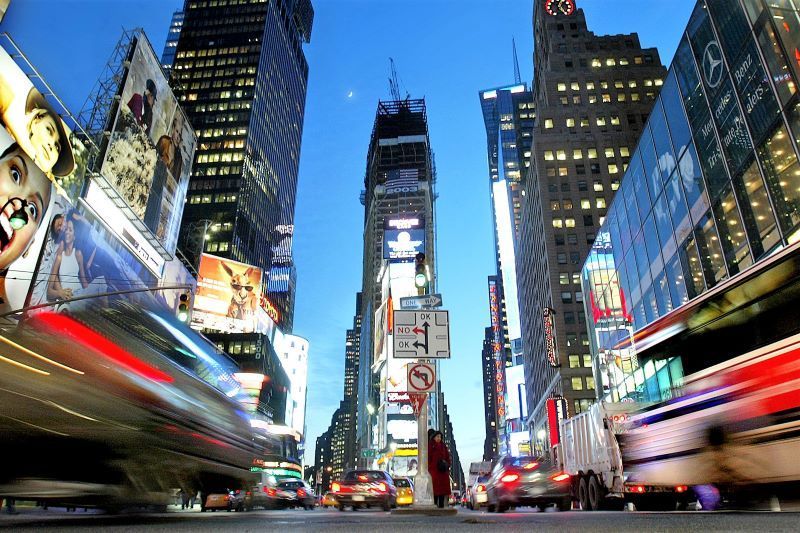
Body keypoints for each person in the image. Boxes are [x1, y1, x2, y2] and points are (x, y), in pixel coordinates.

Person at [0, 49, 75, 177]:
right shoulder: (5, 99)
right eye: (49, 130)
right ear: (36, 117)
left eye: (57, 147)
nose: (52, 146)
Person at [0, 142, 53, 313]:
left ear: (29, 247)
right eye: (15, 175)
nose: (17, 203)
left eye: (32, 209)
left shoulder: (5, 324)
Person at [428, 430, 451, 508]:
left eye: (440, 437)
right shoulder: (431, 445)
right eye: (437, 437)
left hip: (442, 471)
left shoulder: (443, 446)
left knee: (442, 490)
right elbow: (428, 457)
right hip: (434, 470)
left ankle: (441, 505)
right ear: (434, 437)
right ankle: (434, 504)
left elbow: (448, 457)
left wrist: (447, 465)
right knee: (434, 489)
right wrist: (430, 466)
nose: (439, 438)